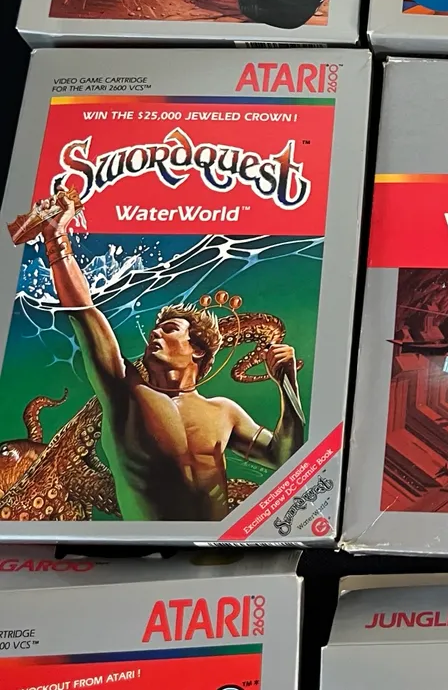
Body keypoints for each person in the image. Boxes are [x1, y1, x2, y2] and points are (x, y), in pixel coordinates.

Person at [37, 190, 303, 522]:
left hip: (215, 547)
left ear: (198, 349)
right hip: (149, 547)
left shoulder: (225, 412)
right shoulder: (126, 393)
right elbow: (84, 311)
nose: (154, 334)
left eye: (169, 329)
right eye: (154, 329)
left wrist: (287, 386)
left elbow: (285, 457)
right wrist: (56, 238)